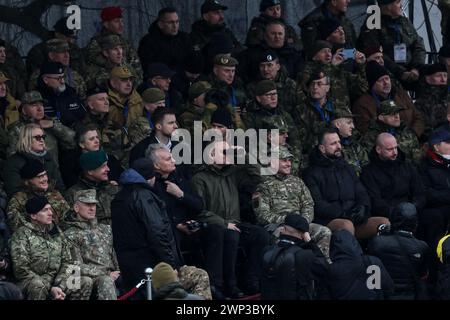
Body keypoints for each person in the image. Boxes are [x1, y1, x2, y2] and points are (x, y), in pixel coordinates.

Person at [111, 161, 211, 300]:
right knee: (199, 276)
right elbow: (157, 233)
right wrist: (171, 265)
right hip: (153, 268)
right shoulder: (144, 196)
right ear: (150, 177)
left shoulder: (118, 198)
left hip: (132, 269)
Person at [191, 140, 269, 298]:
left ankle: (250, 279)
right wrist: (225, 223)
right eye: (224, 152)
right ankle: (224, 285)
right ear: (211, 155)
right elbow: (199, 210)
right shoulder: (199, 178)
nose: (229, 154)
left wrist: (245, 155)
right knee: (230, 234)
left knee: (261, 235)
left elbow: (260, 178)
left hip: (234, 223)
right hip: (212, 226)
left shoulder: (232, 173)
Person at [303, 128, 389, 239]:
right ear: (322, 148)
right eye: (333, 144)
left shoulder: (348, 168)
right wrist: (344, 214)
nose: (339, 146)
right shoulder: (310, 173)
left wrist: (362, 208)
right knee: (346, 225)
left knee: (384, 223)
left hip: (355, 219)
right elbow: (318, 205)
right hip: (330, 221)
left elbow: (361, 193)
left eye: (339, 142)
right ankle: (354, 256)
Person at [254, 146, 331, 260]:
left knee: (324, 232)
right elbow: (262, 216)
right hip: (279, 227)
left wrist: (302, 223)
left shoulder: (298, 182)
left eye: (289, 160)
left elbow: (308, 204)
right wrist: (291, 224)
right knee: (279, 235)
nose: (289, 164)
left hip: (302, 225)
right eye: (284, 160)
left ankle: (320, 265)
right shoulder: (263, 186)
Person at [10, 196, 92, 300]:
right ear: (34, 215)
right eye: (45, 210)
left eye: (50, 209)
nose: (50, 213)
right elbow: (21, 270)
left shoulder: (56, 232)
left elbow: (68, 261)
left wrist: (59, 286)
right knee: (38, 285)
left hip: (56, 282)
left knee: (84, 281)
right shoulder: (22, 234)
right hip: (31, 282)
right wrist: (49, 287)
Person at [63, 189, 120, 300]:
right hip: (85, 279)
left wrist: (118, 272)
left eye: (94, 204)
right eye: (87, 204)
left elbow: (112, 255)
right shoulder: (69, 234)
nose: (92, 208)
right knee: (105, 281)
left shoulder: (105, 229)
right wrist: (106, 274)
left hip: (111, 275)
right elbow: (74, 267)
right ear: (76, 208)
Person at [368, 203, 430, 300]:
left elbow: (370, 269)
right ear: (415, 223)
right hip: (409, 295)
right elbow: (423, 275)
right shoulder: (422, 247)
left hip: (383, 294)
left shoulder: (377, 242)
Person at [358, 0, 426, 89]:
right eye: (397, 2)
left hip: (412, 69)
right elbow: (376, 54)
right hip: (388, 72)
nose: (401, 5)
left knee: (434, 77)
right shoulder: (373, 22)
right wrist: (401, 73)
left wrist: (416, 68)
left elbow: (419, 45)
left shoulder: (404, 21)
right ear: (388, 6)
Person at [360, 133, 426, 223]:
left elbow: (419, 192)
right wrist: (395, 213)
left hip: (412, 211)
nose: (395, 152)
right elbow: (375, 200)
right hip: (386, 215)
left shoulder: (407, 166)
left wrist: (413, 208)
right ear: (378, 149)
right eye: (390, 149)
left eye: (396, 148)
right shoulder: (368, 172)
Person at [314, 229, 394, 299]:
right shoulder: (372, 262)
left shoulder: (331, 270)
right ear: (355, 243)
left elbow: (324, 295)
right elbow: (387, 289)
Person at [260, 214, 325, 300]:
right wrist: (310, 243)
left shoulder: (266, 251)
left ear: (282, 230)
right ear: (303, 234)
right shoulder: (304, 255)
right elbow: (324, 268)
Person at [6, 159, 69, 233]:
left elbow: (67, 217)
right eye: (40, 177)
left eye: (45, 175)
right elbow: (15, 224)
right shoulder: (18, 199)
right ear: (27, 182)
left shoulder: (54, 193)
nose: (45, 179)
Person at [3, 123, 65, 197]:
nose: (42, 140)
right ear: (26, 139)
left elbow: (59, 186)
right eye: (38, 137)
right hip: (28, 204)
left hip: (53, 202)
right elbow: (14, 192)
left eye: (43, 137)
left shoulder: (49, 158)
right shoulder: (14, 162)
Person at [65, 149, 119, 225]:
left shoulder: (113, 188)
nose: (108, 169)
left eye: (107, 165)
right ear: (90, 171)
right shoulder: (73, 194)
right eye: (103, 166)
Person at [138, 7, 193, 72]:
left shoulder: (185, 38)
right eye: (170, 23)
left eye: (177, 22)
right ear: (160, 24)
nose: (175, 26)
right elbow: (147, 67)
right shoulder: (147, 42)